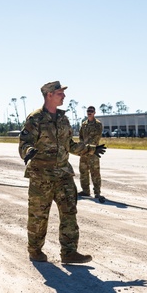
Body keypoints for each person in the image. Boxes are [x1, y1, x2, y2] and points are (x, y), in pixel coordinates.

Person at [19, 81, 104, 263]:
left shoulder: (63, 119)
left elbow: (70, 145)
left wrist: (90, 149)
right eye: (60, 93)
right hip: (41, 175)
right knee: (38, 215)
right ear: (49, 94)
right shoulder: (35, 119)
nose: (64, 96)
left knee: (69, 212)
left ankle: (69, 252)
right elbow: (24, 143)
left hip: (63, 174)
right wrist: (28, 152)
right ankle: (35, 250)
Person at [77, 106, 104, 202]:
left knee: (95, 172)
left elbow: (97, 137)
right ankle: (85, 190)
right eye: (88, 111)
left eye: (91, 111)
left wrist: (89, 147)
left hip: (93, 151)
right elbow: (80, 136)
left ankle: (97, 192)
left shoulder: (98, 124)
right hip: (84, 151)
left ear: (94, 113)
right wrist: (82, 146)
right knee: (83, 171)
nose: (89, 112)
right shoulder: (84, 124)